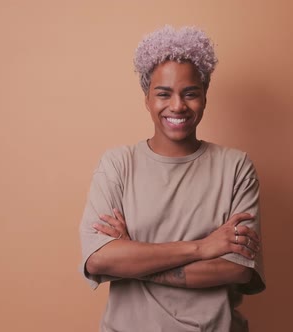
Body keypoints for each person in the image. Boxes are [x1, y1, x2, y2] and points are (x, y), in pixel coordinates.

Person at [79, 25, 265, 332]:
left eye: (190, 93)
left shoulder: (235, 168)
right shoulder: (117, 165)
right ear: (147, 99)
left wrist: (132, 257)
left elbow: (236, 270)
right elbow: (98, 261)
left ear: (205, 96)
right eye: (163, 94)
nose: (177, 106)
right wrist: (202, 248)